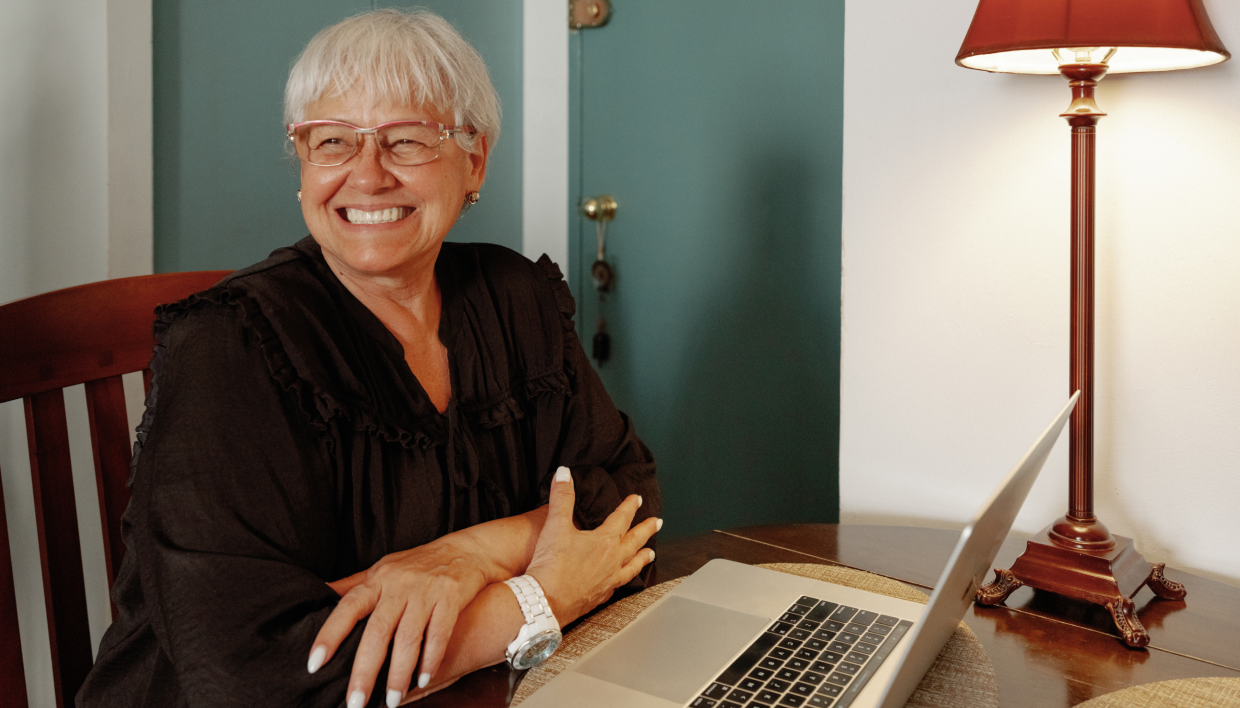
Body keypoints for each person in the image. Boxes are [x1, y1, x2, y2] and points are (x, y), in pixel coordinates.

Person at [78, 9, 660, 708]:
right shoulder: (227, 347)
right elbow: (248, 672)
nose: (367, 175)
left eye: (407, 141)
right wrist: (540, 596)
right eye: (331, 142)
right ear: (302, 165)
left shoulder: (516, 299)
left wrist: (466, 555)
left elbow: (630, 501)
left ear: (474, 159)